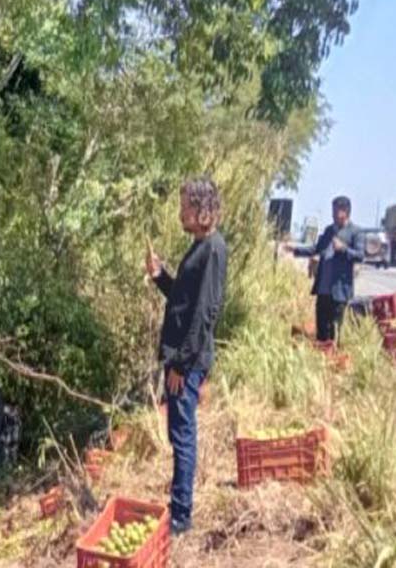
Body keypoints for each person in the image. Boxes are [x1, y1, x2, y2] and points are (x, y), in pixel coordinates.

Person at [145, 176, 228, 537]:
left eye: (185, 207)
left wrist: (181, 363)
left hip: (187, 362)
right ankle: (178, 506)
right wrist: (160, 276)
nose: (181, 213)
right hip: (182, 357)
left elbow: (204, 313)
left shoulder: (213, 249)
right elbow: (182, 299)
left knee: (183, 435)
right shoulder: (198, 247)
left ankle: (181, 516)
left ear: (202, 209)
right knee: (178, 432)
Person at [286, 196, 364, 343]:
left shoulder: (355, 232)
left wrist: (343, 249)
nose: (333, 215)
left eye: (336, 212)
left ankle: (334, 360)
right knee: (321, 330)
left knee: (335, 332)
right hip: (323, 289)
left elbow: (360, 255)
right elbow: (316, 249)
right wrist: (295, 250)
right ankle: (321, 358)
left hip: (339, 292)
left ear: (346, 211)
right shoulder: (329, 230)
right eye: (332, 211)